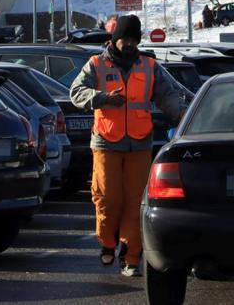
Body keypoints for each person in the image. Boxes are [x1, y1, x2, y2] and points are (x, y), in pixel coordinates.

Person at [70, 14, 186, 277]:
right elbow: (76, 92)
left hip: (139, 141)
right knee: (108, 198)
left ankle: (131, 257)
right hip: (106, 141)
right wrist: (100, 98)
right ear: (115, 38)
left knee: (136, 202)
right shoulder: (96, 64)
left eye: (135, 39)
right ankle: (107, 243)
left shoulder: (149, 66)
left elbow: (168, 97)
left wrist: (183, 117)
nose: (131, 44)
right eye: (126, 39)